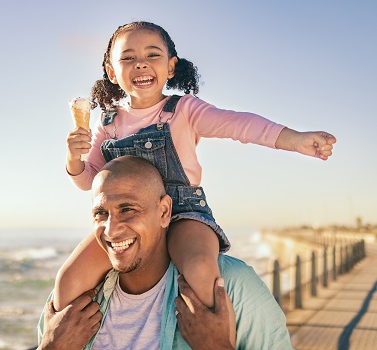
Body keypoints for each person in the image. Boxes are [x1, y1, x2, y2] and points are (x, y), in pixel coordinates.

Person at [56, 21, 336, 346]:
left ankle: (215, 340)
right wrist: (74, 160)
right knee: (68, 281)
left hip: (184, 212)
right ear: (112, 72)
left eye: (152, 54)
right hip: (127, 221)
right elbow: (90, 181)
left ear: (171, 66)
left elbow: (239, 124)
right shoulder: (107, 122)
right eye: (128, 58)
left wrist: (295, 139)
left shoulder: (183, 111)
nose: (141, 63)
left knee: (202, 270)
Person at [38, 156, 294, 349]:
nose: (111, 229)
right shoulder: (73, 304)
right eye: (101, 214)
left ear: (163, 212)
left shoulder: (233, 286)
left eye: (128, 209)